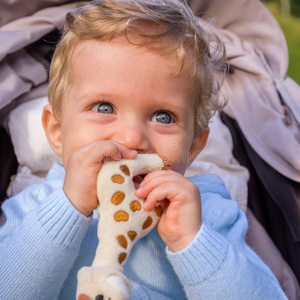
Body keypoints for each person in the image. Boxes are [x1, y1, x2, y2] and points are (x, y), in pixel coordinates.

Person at [0, 0, 288, 299]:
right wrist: (67, 207)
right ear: (58, 133)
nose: (131, 137)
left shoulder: (207, 214)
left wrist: (193, 242)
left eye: (163, 117)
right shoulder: (36, 205)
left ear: (193, 146)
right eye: (103, 107)